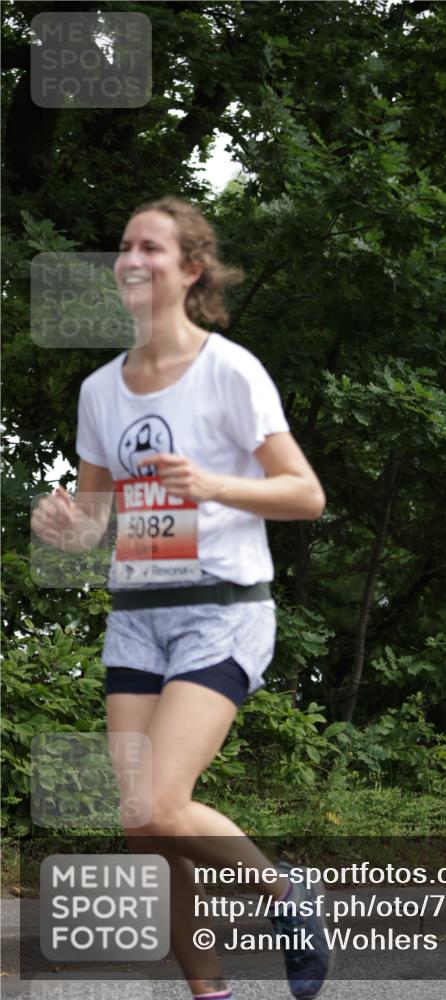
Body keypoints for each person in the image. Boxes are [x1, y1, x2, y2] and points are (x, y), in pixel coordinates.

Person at [31, 196, 334, 1000]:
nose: (130, 257)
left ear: (190, 268)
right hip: (137, 619)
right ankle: (211, 996)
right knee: (141, 828)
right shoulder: (101, 391)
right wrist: (58, 522)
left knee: (163, 804)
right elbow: (93, 525)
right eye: (124, 244)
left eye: (151, 246)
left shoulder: (230, 370)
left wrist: (212, 485)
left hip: (223, 608)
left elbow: (305, 495)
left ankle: (287, 897)